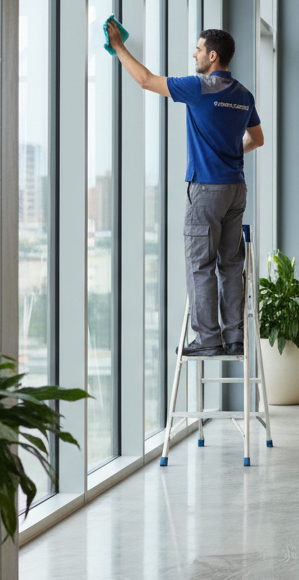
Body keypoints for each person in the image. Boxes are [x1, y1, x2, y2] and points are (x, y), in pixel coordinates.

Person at [106, 22, 265, 357]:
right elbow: (257, 139)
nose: (194, 54)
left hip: (207, 190)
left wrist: (119, 46)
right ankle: (235, 337)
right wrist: (230, 152)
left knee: (200, 264)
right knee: (231, 265)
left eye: (198, 49)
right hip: (236, 189)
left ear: (212, 55)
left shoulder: (200, 86)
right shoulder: (242, 94)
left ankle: (208, 339)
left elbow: (146, 81)